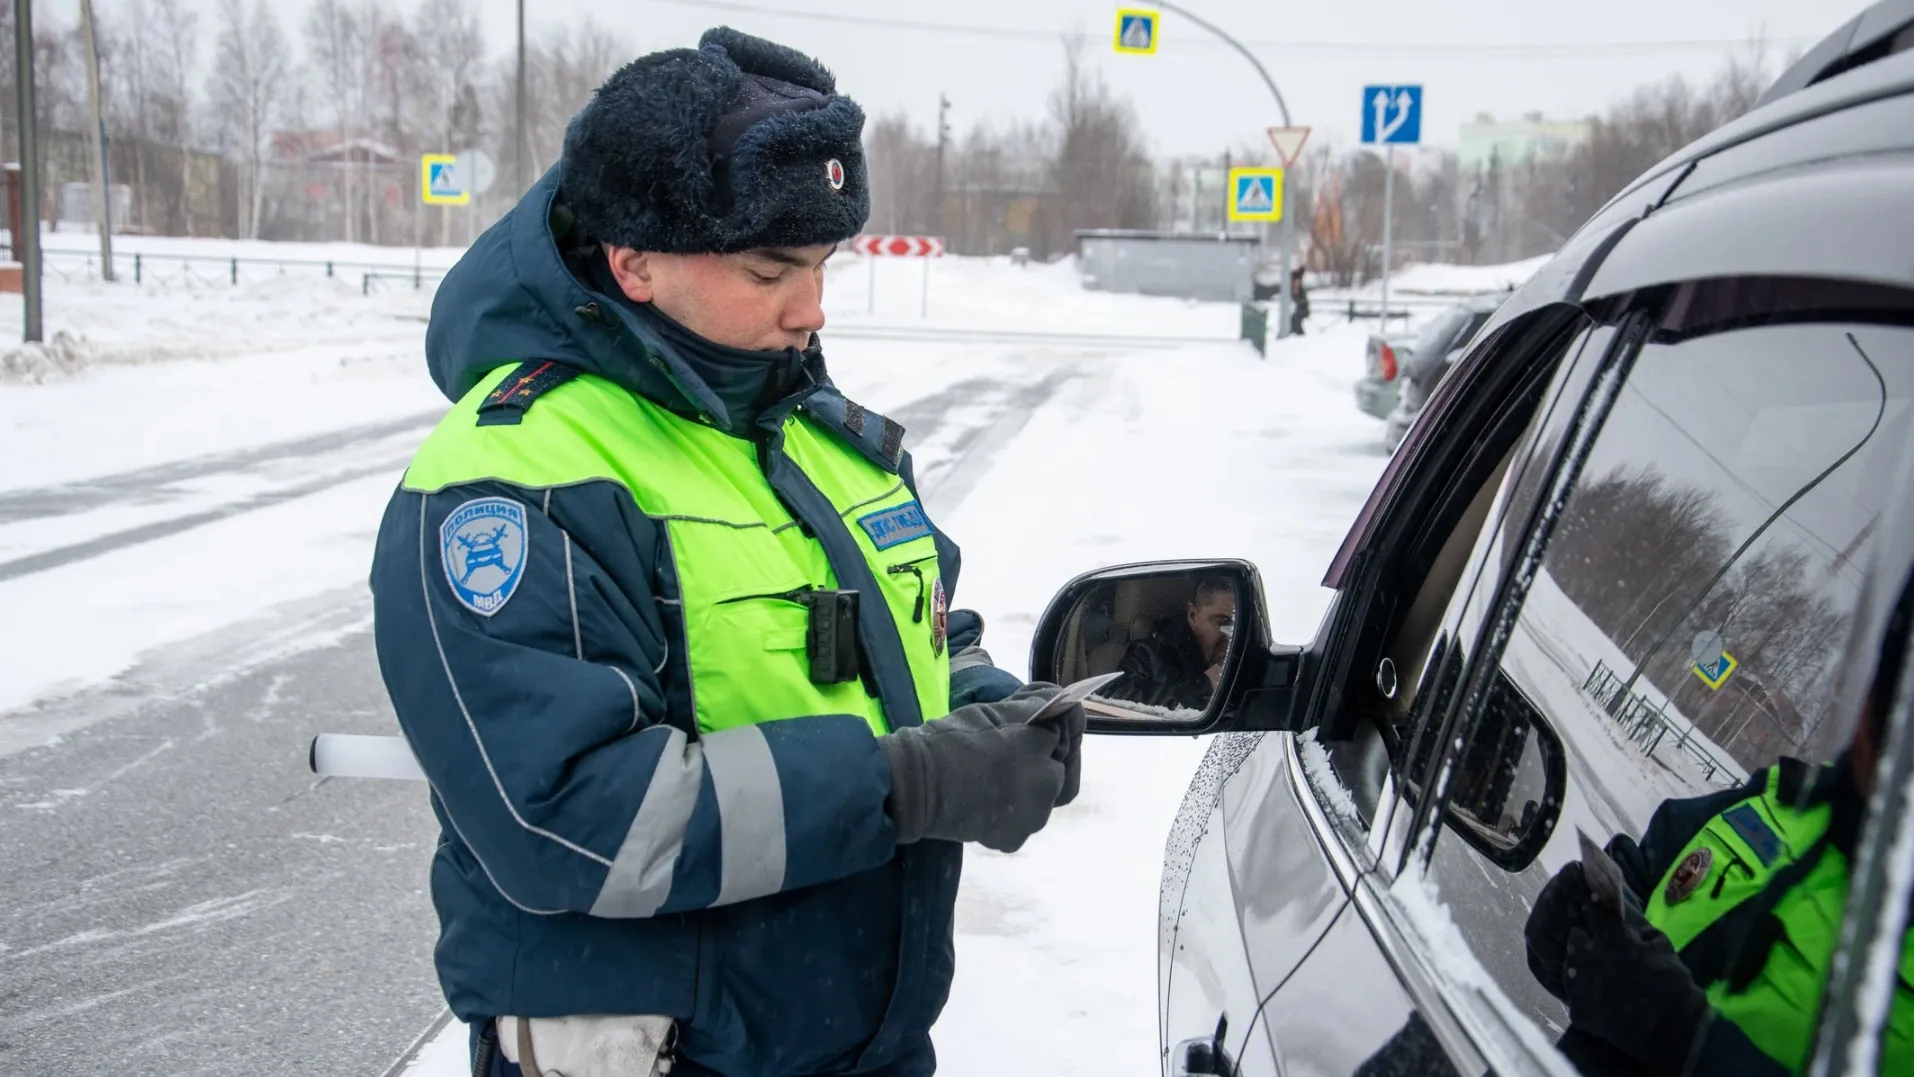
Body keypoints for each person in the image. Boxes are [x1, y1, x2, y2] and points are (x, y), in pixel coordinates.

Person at [369, 28, 1087, 1077]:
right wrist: (911, 787)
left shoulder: (825, 435)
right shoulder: (518, 476)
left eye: (823, 264)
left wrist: (986, 706)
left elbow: (915, 633)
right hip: (663, 1054)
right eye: (770, 271)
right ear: (635, 261)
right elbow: (570, 818)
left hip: (857, 1039)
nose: (813, 309)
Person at [1522, 465, 1914, 1077]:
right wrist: (1572, 935)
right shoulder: (1778, 803)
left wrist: (1688, 1045)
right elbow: (1642, 873)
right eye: (1888, 694)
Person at [1107, 578, 1235, 712]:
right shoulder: (1152, 653)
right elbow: (1115, 697)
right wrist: (1204, 686)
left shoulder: (1251, 656)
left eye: (1238, 624)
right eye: (1222, 622)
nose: (1232, 633)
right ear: (1192, 615)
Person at [1288, 266, 1310, 337]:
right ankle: (1294, 333)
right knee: (1293, 319)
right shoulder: (1295, 289)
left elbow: (1302, 301)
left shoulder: (1300, 290)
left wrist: (1297, 298)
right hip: (1300, 309)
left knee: (1296, 320)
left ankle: (1300, 335)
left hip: (1303, 310)